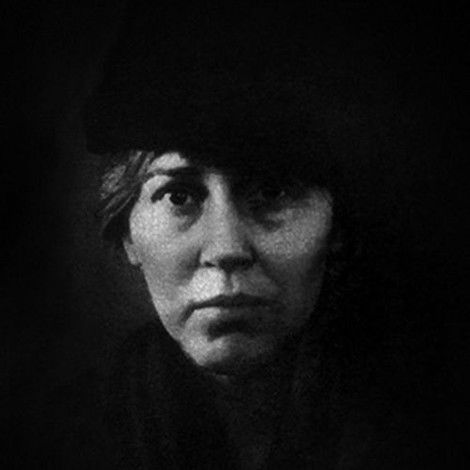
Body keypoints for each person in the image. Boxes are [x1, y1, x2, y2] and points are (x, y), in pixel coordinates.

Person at [38, 4, 434, 469]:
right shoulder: (64, 433)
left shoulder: (426, 420)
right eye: (179, 196)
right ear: (127, 232)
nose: (226, 249)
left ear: (337, 229)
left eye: (272, 191)